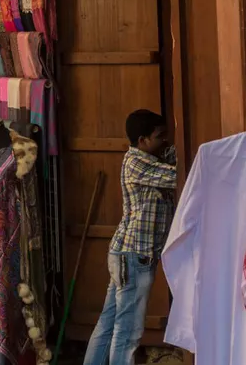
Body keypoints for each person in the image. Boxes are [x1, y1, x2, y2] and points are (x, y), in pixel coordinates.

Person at [83, 110, 177, 365]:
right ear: (142, 140)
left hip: (126, 254)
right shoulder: (138, 163)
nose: (165, 141)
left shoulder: (148, 158)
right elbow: (178, 177)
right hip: (135, 256)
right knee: (128, 333)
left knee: (108, 323)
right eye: (160, 136)